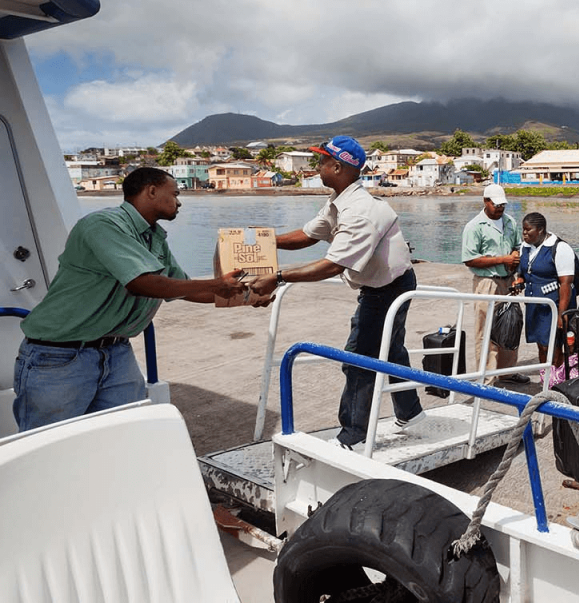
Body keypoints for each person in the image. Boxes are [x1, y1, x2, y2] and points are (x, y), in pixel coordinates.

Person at [14, 167, 248, 431]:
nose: (179, 201)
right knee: (49, 447)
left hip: (116, 352)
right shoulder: (103, 225)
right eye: (175, 193)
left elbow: (185, 287)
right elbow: (142, 283)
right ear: (151, 191)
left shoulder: (154, 238)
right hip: (60, 357)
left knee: (123, 436)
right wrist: (217, 283)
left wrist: (246, 294)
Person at [248, 136, 422, 448]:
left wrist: (277, 276)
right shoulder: (338, 203)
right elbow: (307, 235)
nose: (317, 166)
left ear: (337, 167)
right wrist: (264, 240)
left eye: (322, 161)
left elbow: (331, 266)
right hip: (387, 284)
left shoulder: (360, 212)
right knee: (391, 350)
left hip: (388, 289)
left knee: (357, 359)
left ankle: (353, 436)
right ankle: (411, 413)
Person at [461, 183, 529, 384]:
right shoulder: (474, 227)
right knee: (486, 330)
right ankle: (486, 376)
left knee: (510, 325)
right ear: (485, 201)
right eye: (496, 205)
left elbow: (518, 246)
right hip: (487, 282)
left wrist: (515, 261)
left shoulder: (510, 222)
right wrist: (502, 260)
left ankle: (507, 371)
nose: (500, 209)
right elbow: (469, 259)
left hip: (509, 281)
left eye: (502, 205)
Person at [515, 212, 577, 367]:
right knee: (541, 345)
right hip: (534, 304)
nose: (524, 233)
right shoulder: (525, 247)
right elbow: (524, 272)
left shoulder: (560, 248)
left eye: (528, 230)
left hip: (554, 305)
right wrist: (520, 280)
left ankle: (557, 381)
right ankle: (546, 380)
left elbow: (566, 283)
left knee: (553, 346)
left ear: (540, 230)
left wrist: (562, 314)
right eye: (523, 229)